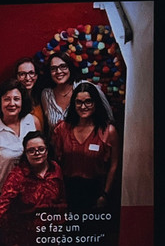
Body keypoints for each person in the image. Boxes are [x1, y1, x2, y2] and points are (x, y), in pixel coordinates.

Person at [0, 130, 66, 246]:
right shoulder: (17, 176)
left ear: (47, 150)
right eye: (31, 150)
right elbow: (3, 204)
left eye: (41, 149)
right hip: (22, 241)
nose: (37, 154)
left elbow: (61, 200)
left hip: (49, 238)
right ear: (25, 153)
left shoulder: (55, 168)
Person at [52, 80, 121, 218]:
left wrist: (105, 194)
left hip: (96, 191)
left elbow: (114, 165)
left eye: (88, 101)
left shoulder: (108, 131)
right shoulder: (62, 129)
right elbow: (54, 163)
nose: (83, 106)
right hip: (67, 191)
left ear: (95, 103)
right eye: (79, 102)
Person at [0, 78, 44, 210]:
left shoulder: (34, 122)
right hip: (5, 199)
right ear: (0, 102)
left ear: (22, 101)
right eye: (7, 99)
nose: (12, 103)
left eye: (16, 99)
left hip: (34, 194)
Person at [39, 51, 77, 131]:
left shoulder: (85, 88)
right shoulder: (46, 94)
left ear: (70, 67)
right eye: (53, 68)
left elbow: (106, 119)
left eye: (63, 66)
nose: (59, 71)